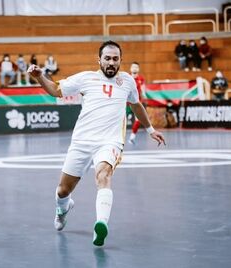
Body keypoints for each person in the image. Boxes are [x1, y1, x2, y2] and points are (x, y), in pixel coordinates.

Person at [28, 40, 166, 246]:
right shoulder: (86, 78)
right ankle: (63, 208)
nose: (111, 62)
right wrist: (40, 77)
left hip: (110, 141)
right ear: (99, 60)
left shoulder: (127, 81)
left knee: (103, 174)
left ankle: (101, 224)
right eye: (107, 58)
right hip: (82, 141)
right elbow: (57, 91)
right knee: (63, 190)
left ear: (120, 61)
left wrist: (151, 129)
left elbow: (136, 106)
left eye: (115, 59)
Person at [127, 62, 146, 144]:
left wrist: (144, 95)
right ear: (130, 69)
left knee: (138, 120)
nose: (134, 68)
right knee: (121, 120)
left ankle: (132, 137)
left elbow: (143, 89)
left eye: (136, 67)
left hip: (137, 103)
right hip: (126, 103)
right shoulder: (126, 78)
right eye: (133, 67)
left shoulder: (141, 79)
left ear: (138, 69)